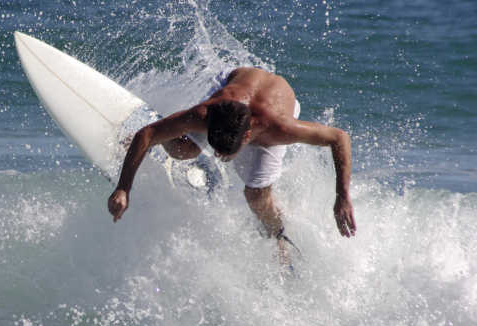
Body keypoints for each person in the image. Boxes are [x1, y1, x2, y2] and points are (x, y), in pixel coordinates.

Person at [107, 67, 356, 241]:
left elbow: (339, 138)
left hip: (274, 104)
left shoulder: (280, 128)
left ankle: (278, 236)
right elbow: (146, 133)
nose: (216, 156)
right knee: (184, 150)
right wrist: (123, 188)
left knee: (257, 196)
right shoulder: (206, 112)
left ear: (247, 137)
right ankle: (167, 131)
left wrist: (342, 196)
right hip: (234, 87)